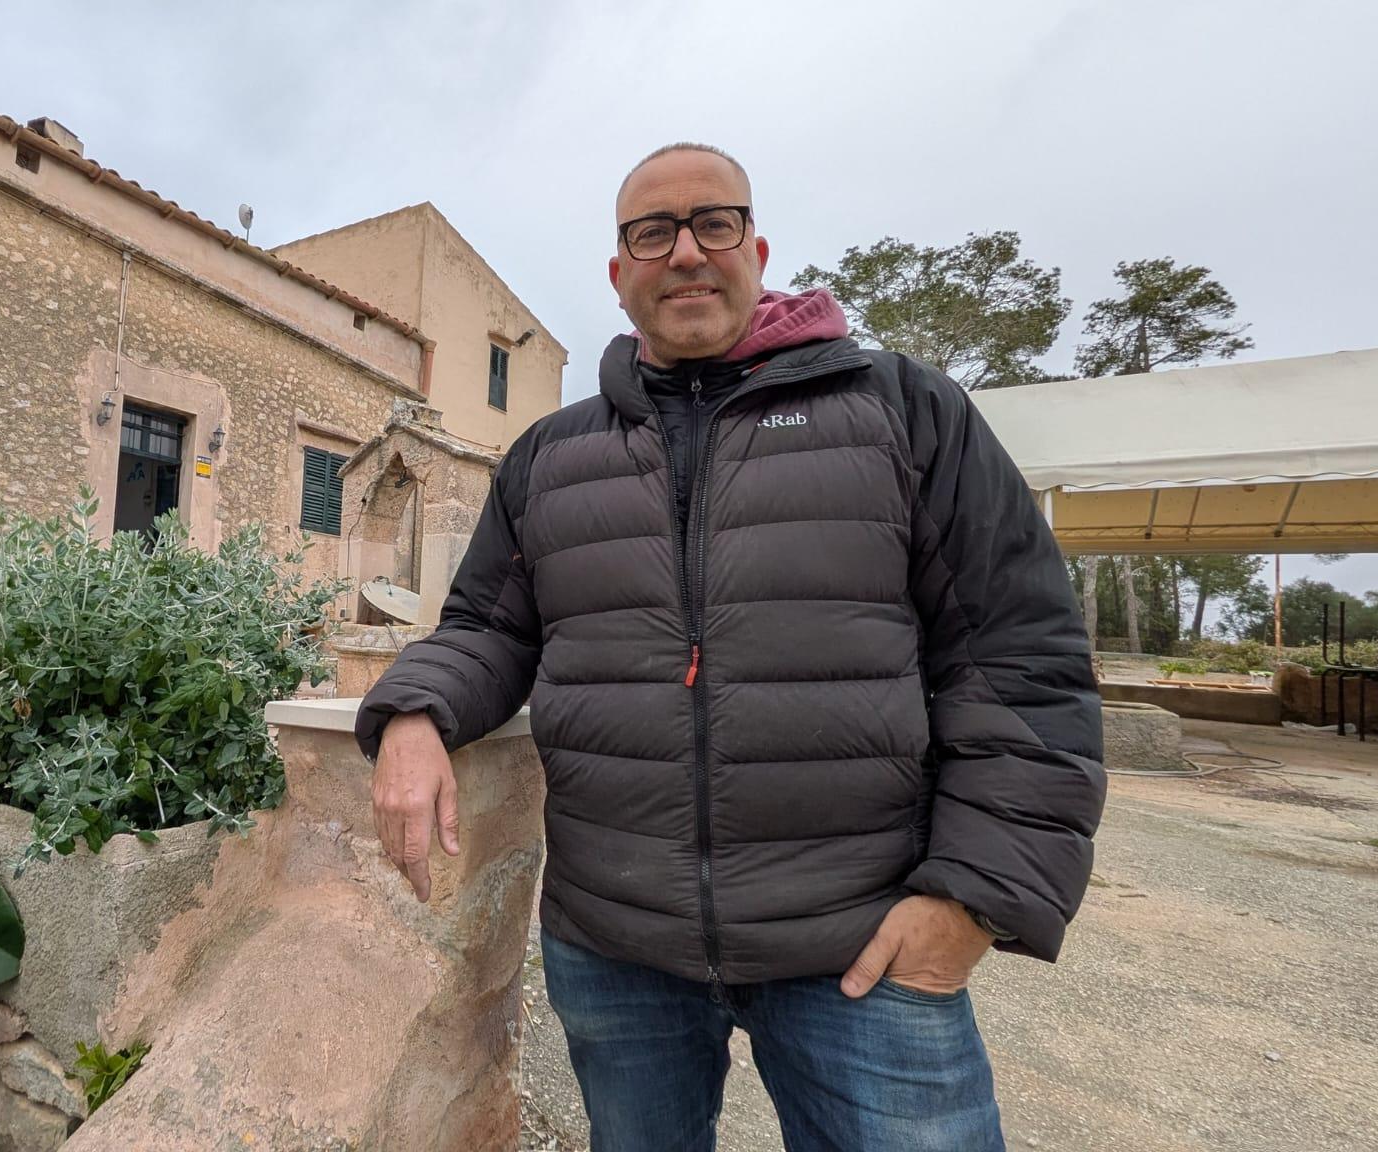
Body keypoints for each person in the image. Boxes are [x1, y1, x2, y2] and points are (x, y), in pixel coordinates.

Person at [356, 143, 1106, 1151]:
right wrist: (411, 712)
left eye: (713, 224)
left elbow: (1019, 660)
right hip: (616, 951)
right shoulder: (550, 457)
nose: (684, 252)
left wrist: (971, 899)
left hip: (862, 950)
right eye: (650, 233)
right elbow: (485, 632)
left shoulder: (901, 410)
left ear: (756, 251)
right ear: (618, 274)